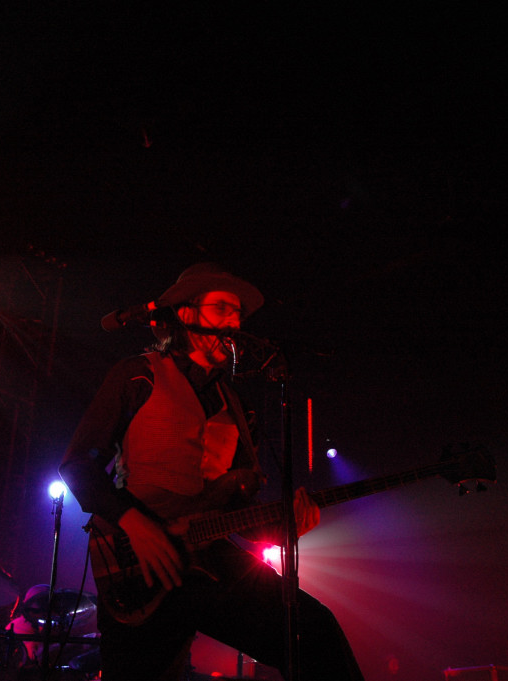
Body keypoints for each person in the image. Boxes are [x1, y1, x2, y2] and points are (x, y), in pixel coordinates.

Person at [59, 263, 364, 681]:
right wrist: (134, 523)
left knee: (312, 631)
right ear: (186, 313)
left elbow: (237, 508)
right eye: (222, 308)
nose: (234, 322)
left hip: (210, 559)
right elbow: (78, 465)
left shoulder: (238, 406)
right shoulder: (138, 374)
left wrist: (286, 526)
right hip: (139, 561)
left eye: (238, 314)